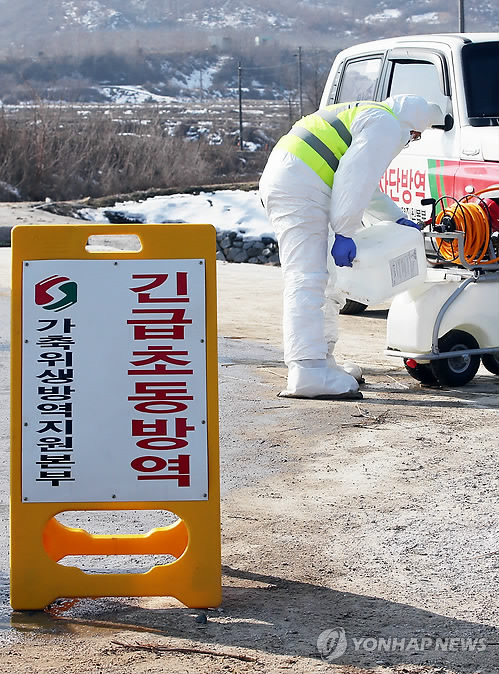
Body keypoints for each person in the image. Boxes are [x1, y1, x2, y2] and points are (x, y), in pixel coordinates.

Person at [259, 95, 442, 400]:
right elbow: (354, 179)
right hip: (300, 187)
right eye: (415, 135)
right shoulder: (384, 123)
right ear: (409, 125)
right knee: (308, 278)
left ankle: (322, 361)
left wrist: (395, 218)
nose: (412, 142)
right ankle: (306, 370)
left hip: (301, 181)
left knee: (329, 281)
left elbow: (364, 185)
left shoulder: (371, 115)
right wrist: (344, 231)